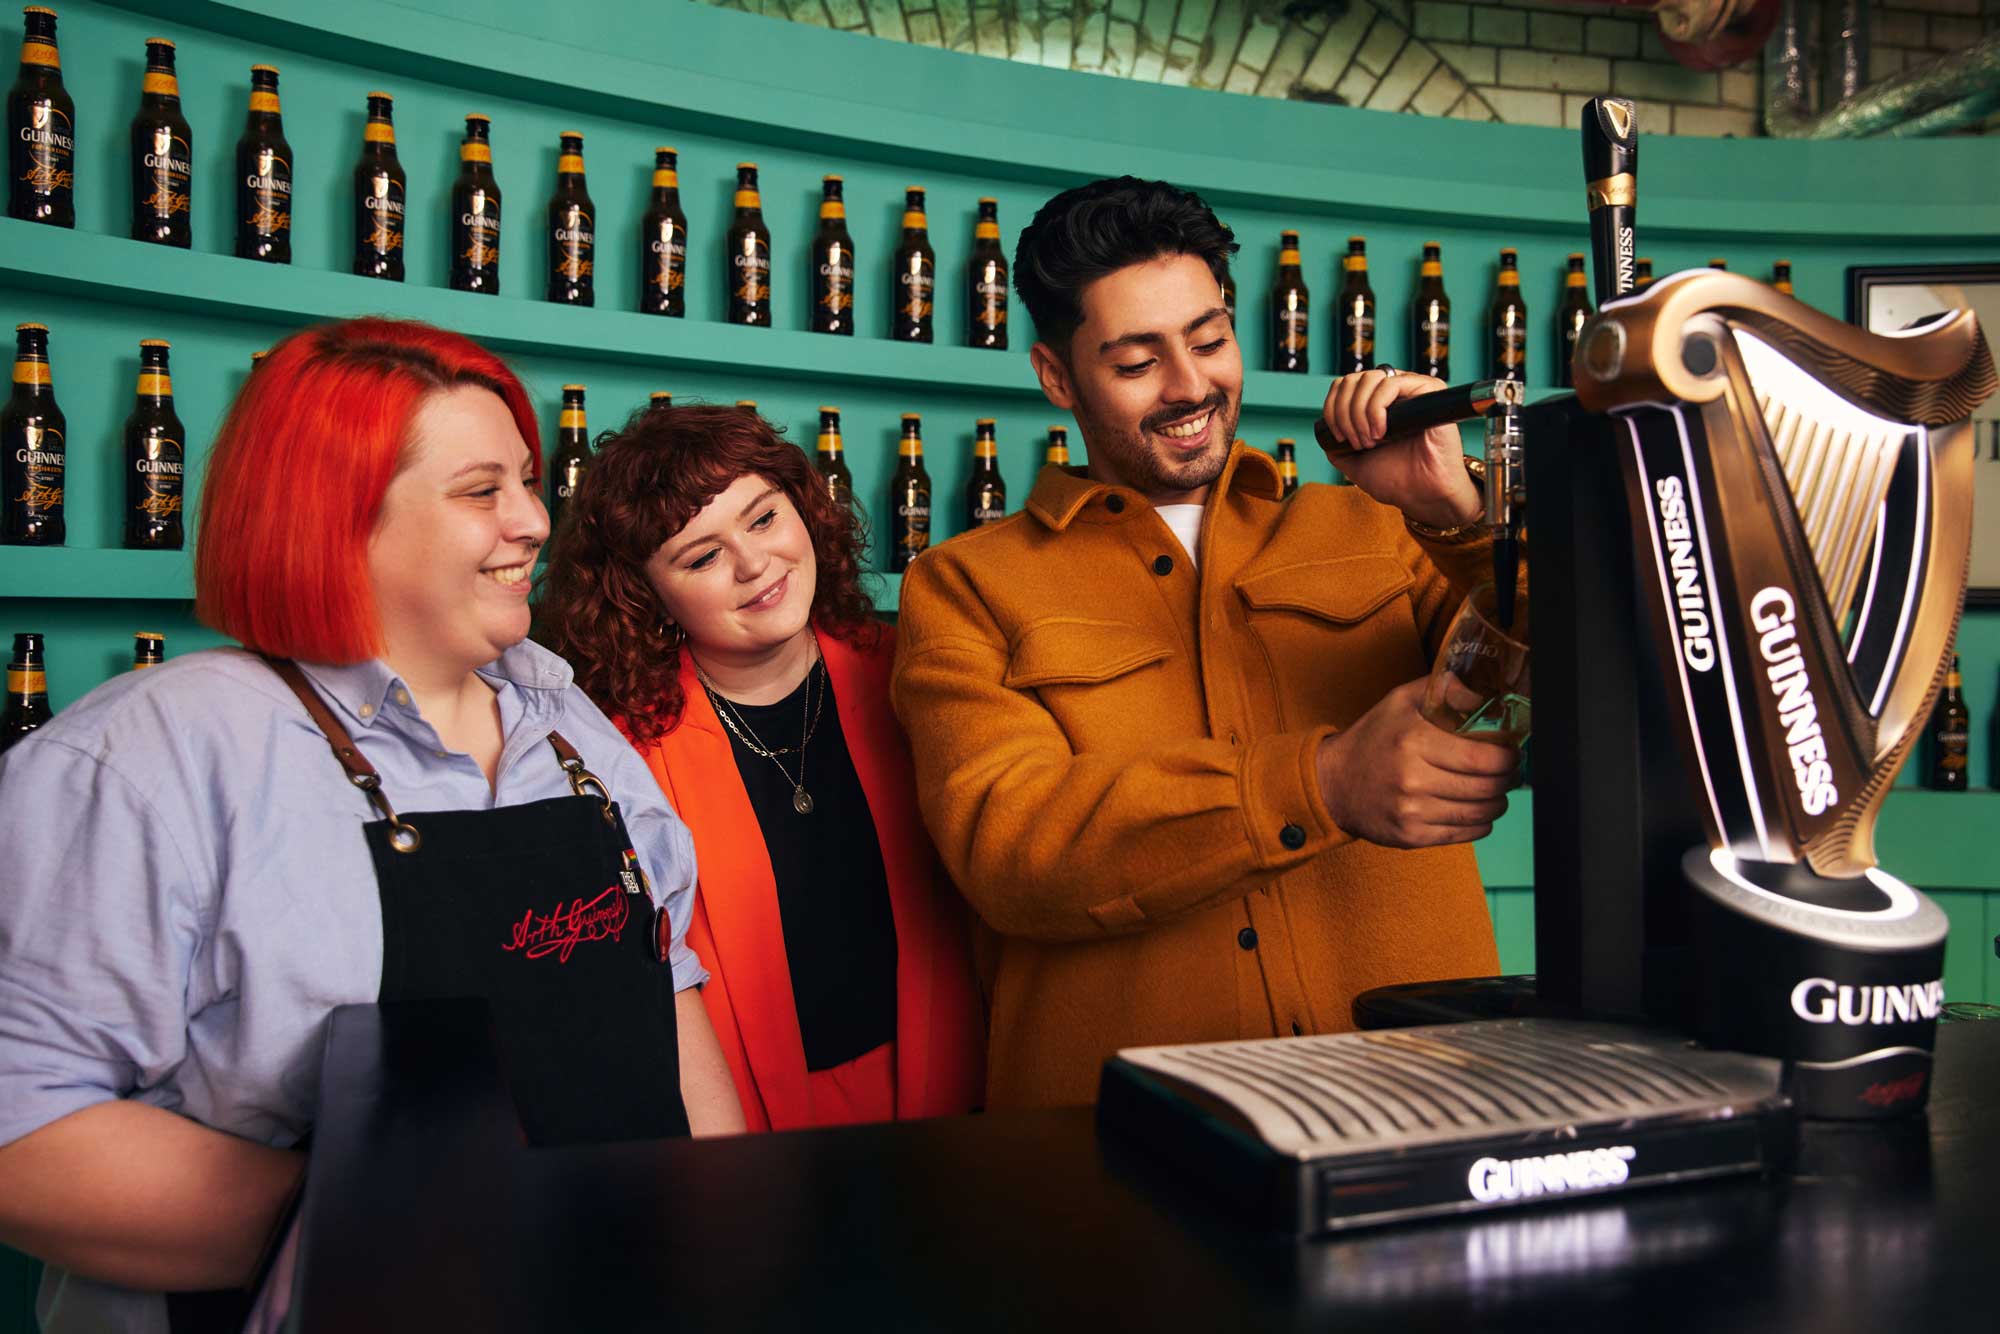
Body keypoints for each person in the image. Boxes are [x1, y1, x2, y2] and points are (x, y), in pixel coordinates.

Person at [0, 319, 743, 1334]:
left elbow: (666, 991)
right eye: (483, 490)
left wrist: (717, 1249)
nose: (533, 519)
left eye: (528, 480)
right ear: (338, 516)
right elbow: (22, 1128)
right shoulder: (156, 755)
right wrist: (380, 1228)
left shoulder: (571, 728)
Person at [890, 177, 1521, 1110]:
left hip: (1420, 1102)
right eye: (1136, 360)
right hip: (1125, 1143)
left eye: (1210, 340)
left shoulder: (1384, 528)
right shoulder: (965, 584)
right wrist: (1321, 783)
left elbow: (1574, 701)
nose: (1191, 387)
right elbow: (1011, 849)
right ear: (1057, 376)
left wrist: (1459, 515)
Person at [535, 403, 984, 1132]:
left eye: (764, 519)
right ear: (647, 596)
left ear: (805, 510)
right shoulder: (621, 755)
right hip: (742, 1130)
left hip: (951, 1093)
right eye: (702, 557)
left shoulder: (914, 675)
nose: (754, 564)